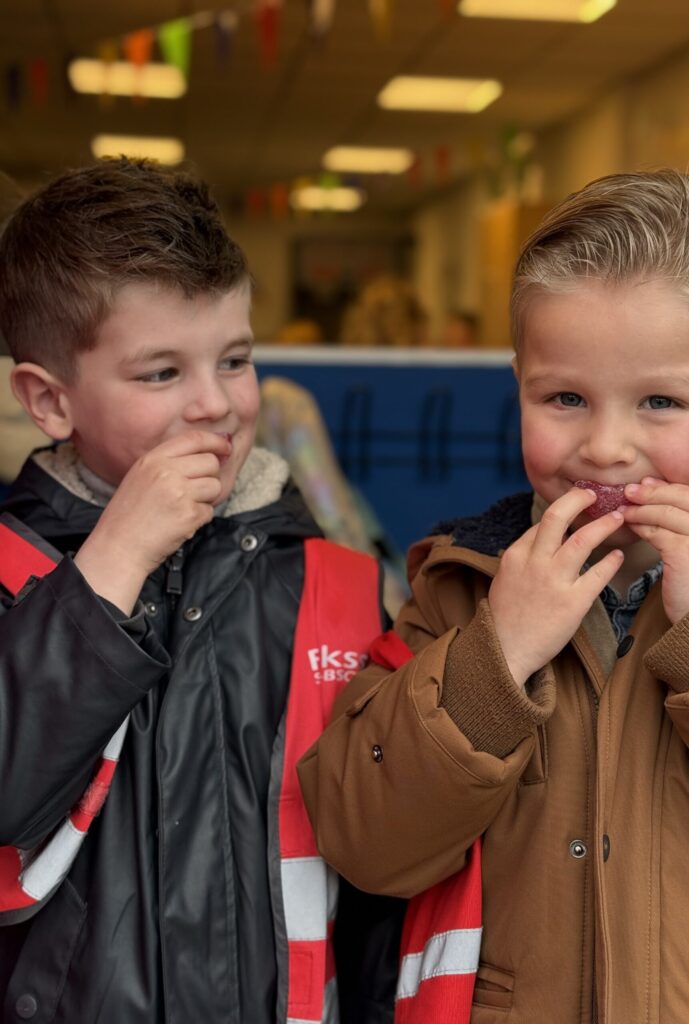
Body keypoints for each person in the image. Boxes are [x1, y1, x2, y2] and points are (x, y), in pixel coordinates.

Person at [298, 170, 689, 1023]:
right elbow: (361, 842)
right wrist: (498, 653)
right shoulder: (456, 585)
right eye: (564, 398)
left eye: (661, 401)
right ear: (519, 386)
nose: (605, 446)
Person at [0, 157, 394, 1024]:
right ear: (49, 400)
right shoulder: (10, 567)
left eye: (236, 358)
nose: (215, 405)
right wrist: (109, 568)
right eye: (161, 374)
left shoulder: (328, 578)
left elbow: (383, 868)